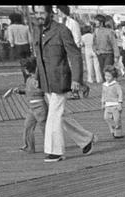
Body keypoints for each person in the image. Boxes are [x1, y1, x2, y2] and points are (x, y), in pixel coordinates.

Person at [31, 4, 95, 162]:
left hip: (60, 79)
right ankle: (86, 139)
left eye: (42, 12)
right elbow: (39, 57)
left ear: (49, 13)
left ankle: (55, 151)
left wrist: (76, 79)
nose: (39, 15)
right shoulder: (36, 30)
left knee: (53, 115)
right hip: (46, 80)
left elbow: (75, 55)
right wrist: (37, 77)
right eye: (36, 13)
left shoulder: (61, 30)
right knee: (60, 115)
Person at [7, 56, 46, 153]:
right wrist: (20, 91)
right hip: (32, 107)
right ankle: (28, 146)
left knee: (44, 127)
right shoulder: (29, 80)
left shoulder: (37, 80)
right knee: (28, 126)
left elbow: (41, 91)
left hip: (39, 106)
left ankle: (50, 146)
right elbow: (29, 91)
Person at [100, 65, 123, 139]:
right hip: (107, 105)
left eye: (109, 76)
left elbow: (120, 94)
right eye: (106, 76)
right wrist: (103, 103)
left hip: (115, 105)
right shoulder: (104, 85)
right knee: (106, 117)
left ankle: (118, 133)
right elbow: (103, 94)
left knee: (117, 119)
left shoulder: (116, 85)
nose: (107, 78)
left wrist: (120, 103)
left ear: (113, 77)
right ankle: (113, 128)